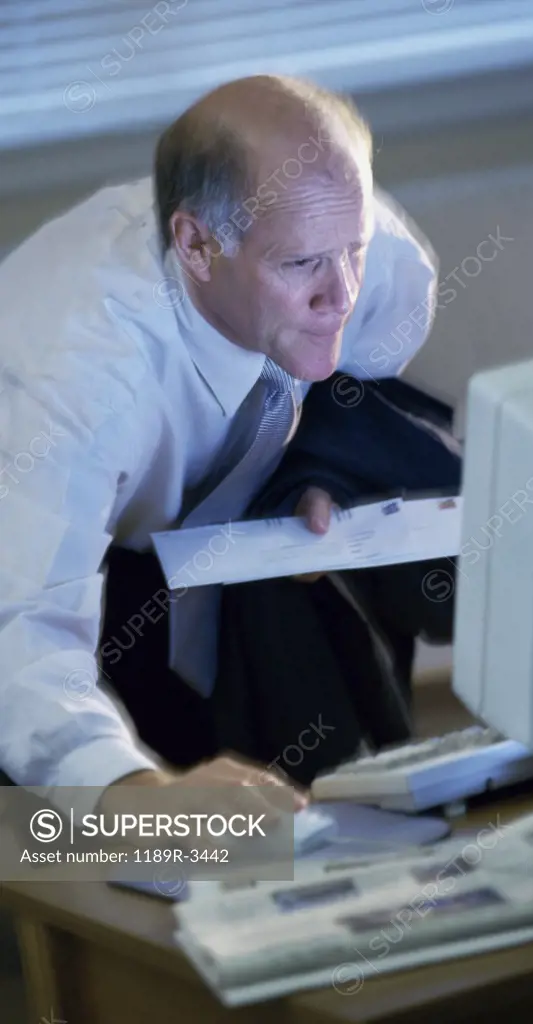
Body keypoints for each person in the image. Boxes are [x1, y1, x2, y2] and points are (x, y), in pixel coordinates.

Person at [0, 75, 442, 825]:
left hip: (211, 543)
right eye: (302, 265)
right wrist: (140, 799)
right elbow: (22, 633)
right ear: (197, 245)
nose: (340, 295)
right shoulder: (79, 374)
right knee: (78, 844)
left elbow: (362, 371)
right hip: (47, 552)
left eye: (353, 251)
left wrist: (314, 463)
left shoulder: (367, 256)